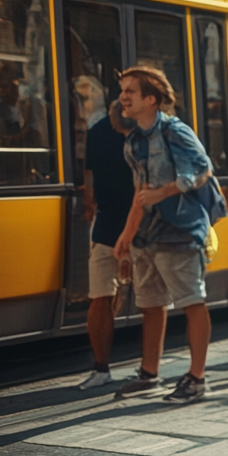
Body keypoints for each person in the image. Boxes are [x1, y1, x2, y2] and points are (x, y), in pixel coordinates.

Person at [112, 67, 219, 403]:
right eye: (122, 90)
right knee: (150, 304)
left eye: (130, 91)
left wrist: (166, 191)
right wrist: (127, 234)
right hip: (147, 233)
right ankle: (149, 374)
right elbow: (140, 191)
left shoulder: (175, 131)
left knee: (191, 301)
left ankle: (197, 378)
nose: (123, 97)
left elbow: (203, 169)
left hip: (179, 229)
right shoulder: (133, 140)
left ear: (151, 99)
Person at [77, 100, 134, 390]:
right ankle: (150, 369)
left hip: (107, 223)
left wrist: (90, 207)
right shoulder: (149, 131)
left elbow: (89, 178)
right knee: (151, 301)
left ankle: (101, 368)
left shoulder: (97, 131)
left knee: (100, 295)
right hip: (141, 225)